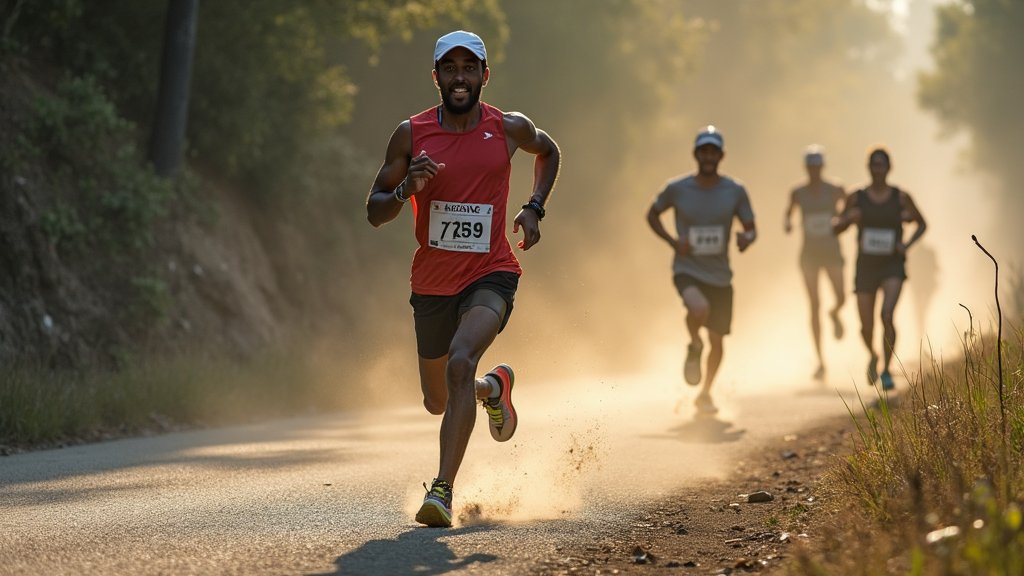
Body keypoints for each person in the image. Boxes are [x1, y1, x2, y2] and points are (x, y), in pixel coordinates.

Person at [365, 30, 561, 527]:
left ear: (484, 76)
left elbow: (549, 151)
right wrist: (407, 187)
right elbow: (374, 210)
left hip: (491, 272)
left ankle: (442, 492)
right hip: (431, 282)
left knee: (459, 361)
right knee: (438, 398)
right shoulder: (411, 135)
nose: (459, 77)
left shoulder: (509, 127)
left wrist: (534, 207)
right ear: (436, 77)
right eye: (449, 68)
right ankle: (493, 389)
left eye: (468, 68)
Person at [646, 126, 757, 414]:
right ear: (696, 154)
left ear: (721, 155)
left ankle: (705, 393)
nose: (708, 156)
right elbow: (652, 214)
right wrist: (673, 241)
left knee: (718, 340)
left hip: (721, 275)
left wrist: (746, 238)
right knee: (699, 310)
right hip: (688, 269)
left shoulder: (735, 190)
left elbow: (751, 227)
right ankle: (694, 344)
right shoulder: (677, 188)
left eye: (713, 151)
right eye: (704, 151)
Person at [832, 147, 926, 391]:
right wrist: (848, 219)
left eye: (881, 165)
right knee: (866, 326)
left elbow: (922, 223)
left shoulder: (901, 197)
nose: (877, 169)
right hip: (866, 266)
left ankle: (886, 369)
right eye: (874, 165)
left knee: (886, 314)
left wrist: (906, 245)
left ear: (889, 168)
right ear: (868, 168)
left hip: (892, 263)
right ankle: (873, 356)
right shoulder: (856, 196)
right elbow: (836, 227)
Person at [783, 145, 846, 381]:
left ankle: (836, 312)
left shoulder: (835, 189)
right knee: (813, 304)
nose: (814, 172)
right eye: (810, 168)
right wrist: (788, 224)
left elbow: (850, 207)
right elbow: (788, 213)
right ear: (806, 168)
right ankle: (820, 360)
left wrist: (842, 219)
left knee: (841, 295)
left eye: (817, 167)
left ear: (823, 167)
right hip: (809, 254)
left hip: (832, 251)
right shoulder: (797, 192)